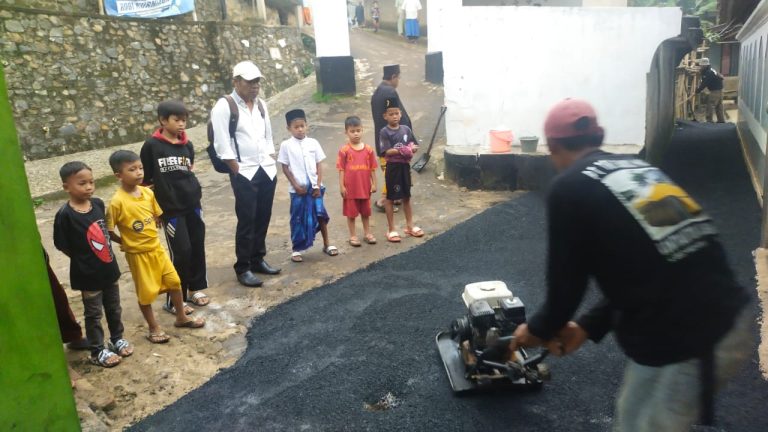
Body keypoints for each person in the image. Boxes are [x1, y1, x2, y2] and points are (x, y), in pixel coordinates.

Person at [511, 99, 752, 431]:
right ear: (598, 136)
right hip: (725, 316)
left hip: (690, 335)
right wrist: (587, 327)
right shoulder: (639, 170)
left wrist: (537, 329)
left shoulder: (570, 188)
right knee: (632, 416)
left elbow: (566, 289)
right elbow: (654, 268)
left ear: (552, 146)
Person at [106, 150, 204, 344]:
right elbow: (108, 230)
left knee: (174, 282)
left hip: (157, 249)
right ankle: (153, 328)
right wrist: (123, 242)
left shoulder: (148, 192)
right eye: (132, 169)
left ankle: (181, 317)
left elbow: (157, 213)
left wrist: (156, 219)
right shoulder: (117, 202)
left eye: (140, 168)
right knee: (146, 293)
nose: (139, 172)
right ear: (118, 175)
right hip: (138, 254)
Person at [53, 161, 132, 367]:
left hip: (109, 269)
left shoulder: (97, 204)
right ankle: (97, 351)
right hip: (87, 275)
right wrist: (83, 260)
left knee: (114, 308)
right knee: (94, 314)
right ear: (66, 187)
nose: (89, 187)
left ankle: (117, 339)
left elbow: (104, 231)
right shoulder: (65, 215)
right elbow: (63, 245)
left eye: (91, 182)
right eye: (82, 183)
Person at [210, 61, 281, 288]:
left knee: (263, 216)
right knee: (247, 220)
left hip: (265, 169)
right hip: (244, 172)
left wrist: (270, 158)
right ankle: (243, 267)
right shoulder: (224, 106)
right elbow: (221, 144)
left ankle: (257, 258)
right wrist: (236, 169)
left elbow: (268, 135)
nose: (254, 86)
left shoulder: (261, 105)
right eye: (249, 81)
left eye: (257, 81)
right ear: (236, 82)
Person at [140, 100, 210, 316]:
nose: (181, 124)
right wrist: (154, 211)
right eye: (176, 120)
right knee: (181, 251)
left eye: (184, 120)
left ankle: (195, 289)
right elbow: (146, 182)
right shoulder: (151, 146)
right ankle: (174, 298)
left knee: (197, 245)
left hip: (192, 205)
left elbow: (188, 171)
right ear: (163, 120)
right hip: (171, 210)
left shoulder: (187, 145)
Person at [277, 109, 338, 262]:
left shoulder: (313, 143)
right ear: (289, 129)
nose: (300, 129)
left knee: (321, 215)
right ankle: (296, 249)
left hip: (315, 188)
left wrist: (317, 185)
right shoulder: (286, 145)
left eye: (302, 126)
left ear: (307, 126)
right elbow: (285, 167)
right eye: (296, 127)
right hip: (298, 190)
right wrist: (296, 186)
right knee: (297, 218)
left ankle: (326, 244)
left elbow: (319, 164)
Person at [379, 97, 424, 242]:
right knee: (390, 198)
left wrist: (413, 149)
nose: (394, 116)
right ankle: (391, 229)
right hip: (393, 168)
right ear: (385, 116)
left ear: (401, 114)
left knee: (407, 196)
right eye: (391, 114)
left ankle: (410, 226)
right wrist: (404, 150)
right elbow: (387, 151)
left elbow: (413, 145)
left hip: (405, 167)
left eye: (397, 113)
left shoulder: (406, 129)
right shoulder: (384, 132)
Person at [371, 64, 415, 212]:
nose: (399, 81)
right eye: (399, 78)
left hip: (383, 141)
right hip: (392, 144)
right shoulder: (390, 92)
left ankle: (395, 196)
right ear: (394, 77)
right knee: (392, 172)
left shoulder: (378, 91)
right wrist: (409, 140)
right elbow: (398, 118)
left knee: (389, 171)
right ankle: (383, 200)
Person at [337, 115, 378, 246]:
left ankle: (367, 233)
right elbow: (341, 169)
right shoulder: (344, 151)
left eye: (358, 130)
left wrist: (374, 183)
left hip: (365, 187)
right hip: (350, 188)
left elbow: (372, 168)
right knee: (351, 214)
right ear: (346, 132)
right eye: (352, 131)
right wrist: (342, 186)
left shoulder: (369, 150)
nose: (356, 134)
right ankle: (353, 236)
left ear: (362, 130)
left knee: (366, 212)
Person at [696, 57, 725, 123]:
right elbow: (721, 77)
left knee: (710, 105)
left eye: (701, 65)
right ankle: (721, 121)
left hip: (715, 91)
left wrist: (698, 90)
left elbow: (705, 83)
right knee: (719, 106)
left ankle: (709, 121)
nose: (700, 66)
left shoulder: (708, 72)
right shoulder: (712, 70)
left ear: (705, 65)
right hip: (720, 90)